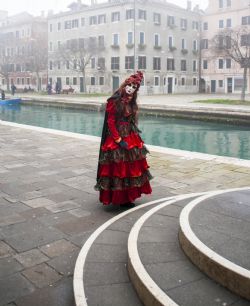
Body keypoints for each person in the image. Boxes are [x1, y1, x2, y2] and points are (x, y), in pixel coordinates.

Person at [95, 71, 152, 207]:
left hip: (130, 135)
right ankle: (117, 198)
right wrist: (118, 140)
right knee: (118, 168)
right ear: (125, 84)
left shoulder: (132, 102)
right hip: (117, 136)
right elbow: (110, 122)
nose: (131, 88)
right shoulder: (114, 100)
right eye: (129, 85)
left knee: (130, 167)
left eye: (134, 87)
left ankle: (127, 198)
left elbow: (132, 120)